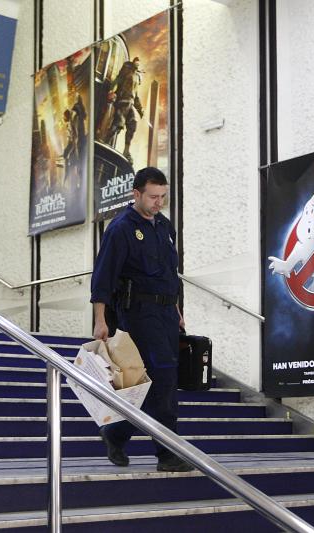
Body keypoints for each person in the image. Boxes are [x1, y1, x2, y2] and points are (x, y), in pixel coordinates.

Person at [90, 167, 194, 472]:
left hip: (164, 314)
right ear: (136, 194)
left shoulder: (164, 226)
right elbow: (103, 277)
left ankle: (115, 433)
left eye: (162, 197)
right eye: (152, 197)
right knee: (163, 380)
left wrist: (176, 311)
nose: (158, 202)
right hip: (137, 314)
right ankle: (167, 453)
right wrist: (100, 320)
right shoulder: (121, 228)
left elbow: (168, 274)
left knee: (152, 383)